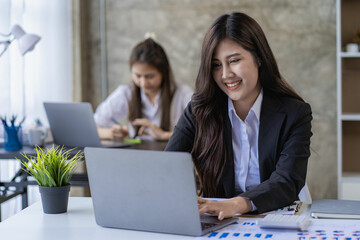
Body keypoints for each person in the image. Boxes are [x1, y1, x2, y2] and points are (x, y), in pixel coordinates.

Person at [165, 12, 312, 219]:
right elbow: (167, 166)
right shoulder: (199, 111)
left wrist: (237, 204)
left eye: (234, 60)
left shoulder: (294, 113)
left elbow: (287, 180)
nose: (225, 74)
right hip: (219, 220)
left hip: (276, 216)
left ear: (259, 58)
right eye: (216, 65)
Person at [94, 37, 193, 141]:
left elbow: (202, 131)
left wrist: (165, 135)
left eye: (149, 76)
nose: (143, 83)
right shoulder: (126, 93)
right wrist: (110, 133)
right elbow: (94, 124)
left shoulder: (182, 94)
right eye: (137, 75)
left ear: (164, 72)